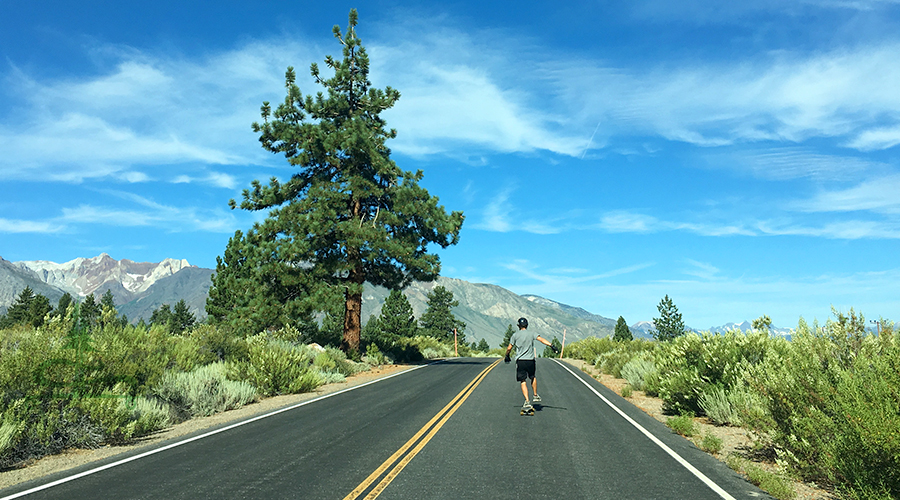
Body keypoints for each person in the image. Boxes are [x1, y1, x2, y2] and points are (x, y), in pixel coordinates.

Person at [504, 317, 559, 412]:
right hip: (530, 360)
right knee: (532, 376)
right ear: (527, 325)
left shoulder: (515, 335)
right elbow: (541, 340)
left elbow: (509, 348)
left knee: (523, 380)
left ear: (518, 326)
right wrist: (551, 345)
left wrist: (507, 355)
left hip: (521, 360)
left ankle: (527, 400)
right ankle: (535, 395)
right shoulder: (532, 334)